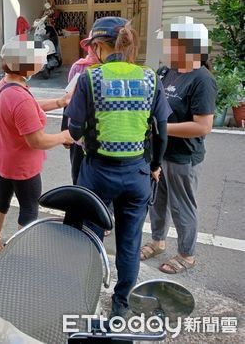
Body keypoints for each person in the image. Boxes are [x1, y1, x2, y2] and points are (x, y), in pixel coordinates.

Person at [65, 16, 171, 319]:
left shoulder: (90, 79)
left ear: (98, 46)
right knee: (129, 241)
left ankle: (84, 298)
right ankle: (121, 303)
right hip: (136, 175)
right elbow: (161, 133)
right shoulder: (150, 78)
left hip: (97, 174)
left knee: (89, 239)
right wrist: (153, 165)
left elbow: (74, 131)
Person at [0, 34, 74, 265]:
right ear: (26, 65)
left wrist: (58, 102)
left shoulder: (7, 84)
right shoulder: (20, 97)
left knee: (0, 201)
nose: (42, 62)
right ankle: (22, 258)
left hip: (4, 159)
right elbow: (37, 141)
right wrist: (63, 135)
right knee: (29, 209)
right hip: (23, 166)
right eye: (38, 59)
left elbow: (28, 107)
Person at [140, 16, 216, 274]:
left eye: (171, 44)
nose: (166, 50)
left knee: (182, 205)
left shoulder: (201, 79)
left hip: (184, 157)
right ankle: (157, 241)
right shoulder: (166, 72)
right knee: (156, 201)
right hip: (159, 153)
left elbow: (203, 126)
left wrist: (161, 129)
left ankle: (186, 254)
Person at [64, 31, 99, 184]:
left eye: (97, 45)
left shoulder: (113, 72)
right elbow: (68, 101)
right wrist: (65, 130)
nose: (93, 49)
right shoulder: (78, 68)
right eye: (91, 44)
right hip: (77, 134)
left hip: (101, 136)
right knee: (77, 177)